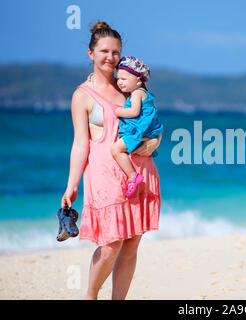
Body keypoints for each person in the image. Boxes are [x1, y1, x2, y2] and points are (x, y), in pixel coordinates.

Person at [61, 21, 162, 300]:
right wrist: (72, 184)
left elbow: (152, 123)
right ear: (91, 53)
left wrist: (156, 142)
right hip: (105, 176)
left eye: (116, 52)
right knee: (110, 244)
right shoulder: (83, 95)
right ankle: (91, 296)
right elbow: (80, 143)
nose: (111, 57)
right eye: (104, 51)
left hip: (139, 170)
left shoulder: (129, 88)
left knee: (131, 245)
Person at [111, 56, 163, 198]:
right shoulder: (144, 93)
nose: (119, 82)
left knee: (116, 150)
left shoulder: (136, 94)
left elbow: (134, 112)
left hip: (136, 132)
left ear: (138, 80)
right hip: (143, 132)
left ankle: (132, 176)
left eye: (124, 79)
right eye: (118, 78)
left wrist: (118, 111)